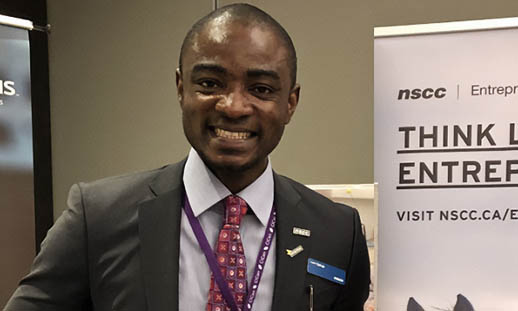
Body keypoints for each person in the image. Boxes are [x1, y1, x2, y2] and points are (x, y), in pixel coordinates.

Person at [4, 3, 370, 311]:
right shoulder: (98, 217)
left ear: (290, 103)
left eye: (260, 89)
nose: (233, 106)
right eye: (210, 83)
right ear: (181, 88)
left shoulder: (337, 232)